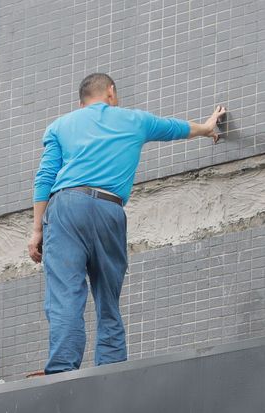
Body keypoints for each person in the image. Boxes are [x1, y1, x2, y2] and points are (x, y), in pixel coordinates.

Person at [28, 73, 226, 374]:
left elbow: (44, 179)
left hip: (66, 206)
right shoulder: (134, 120)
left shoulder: (60, 126)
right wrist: (207, 127)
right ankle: (110, 373)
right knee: (108, 299)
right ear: (111, 92)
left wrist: (37, 229)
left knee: (65, 296)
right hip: (110, 209)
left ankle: (62, 373)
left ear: (82, 103)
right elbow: (175, 128)